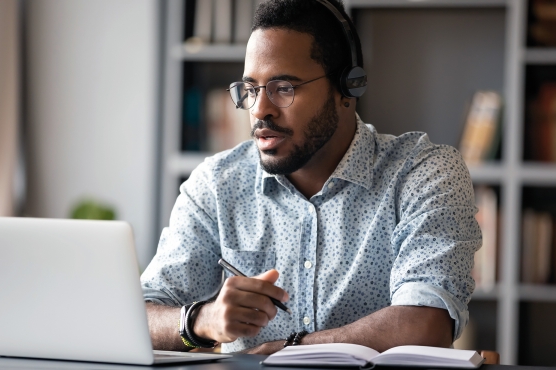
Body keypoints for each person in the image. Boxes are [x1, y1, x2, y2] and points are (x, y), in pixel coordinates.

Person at [141, 0, 481, 355]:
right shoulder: (216, 184)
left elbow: (425, 325)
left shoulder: (423, 174)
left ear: (347, 88)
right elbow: (140, 316)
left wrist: (291, 348)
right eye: (250, 89)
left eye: (283, 87)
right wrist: (201, 320)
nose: (260, 109)